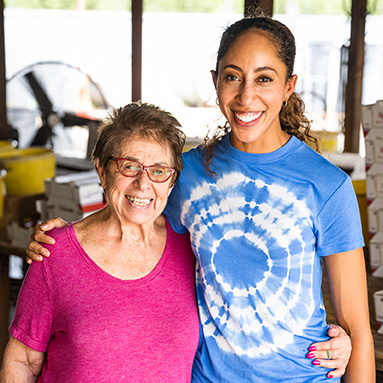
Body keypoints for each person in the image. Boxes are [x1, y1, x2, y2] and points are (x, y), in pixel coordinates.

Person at [23, 13, 372, 383]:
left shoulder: (328, 186)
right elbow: (131, 215)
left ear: (289, 86)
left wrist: (346, 343)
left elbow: (358, 330)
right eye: (232, 77)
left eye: (265, 79)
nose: (246, 95)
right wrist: (66, 239)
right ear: (215, 81)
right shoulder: (183, 174)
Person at [0, 102, 200, 382]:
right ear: (102, 172)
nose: (143, 184)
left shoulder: (193, 248)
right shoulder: (55, 252)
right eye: (129, 166)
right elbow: (22, 360)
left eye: (158, 171)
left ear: (171, 181)